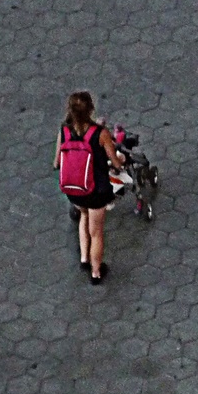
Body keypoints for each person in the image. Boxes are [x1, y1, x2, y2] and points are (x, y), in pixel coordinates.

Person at [54, 91, 124, 284]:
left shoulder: (64, 131)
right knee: (97, 232)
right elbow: (115, 163)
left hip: (73, 190)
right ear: (91, 109)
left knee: (83, 216)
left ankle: (84, 258)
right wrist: (120, 161)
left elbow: (56, 163)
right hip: (95, 191)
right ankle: (96, 271)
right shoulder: (100, 134)